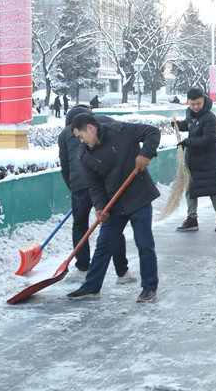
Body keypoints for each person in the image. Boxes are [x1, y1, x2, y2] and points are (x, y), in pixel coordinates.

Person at [67, 112, 161, 302]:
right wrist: (100, 207)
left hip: (138, 197)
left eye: (81, 135)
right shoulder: (85, 156)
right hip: (114, 204)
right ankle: (92, 286)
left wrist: (146, 153)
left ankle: (149, 287)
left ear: (91, 128)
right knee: (103, 246)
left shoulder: (120, 131)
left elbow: (152, 132)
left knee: (144, 244)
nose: (80, 140)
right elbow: (94, 185)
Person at [58, 105, 131, 283]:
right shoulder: (103, 123)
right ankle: (123, 272)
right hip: (103, 182)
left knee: (80, 225)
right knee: (111, 224)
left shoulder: (64, 134)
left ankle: (83, 268)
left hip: (79, 185)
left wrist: (74, 188)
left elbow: (65, 166)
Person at [175, 87, 216, 232]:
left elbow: (209, 138)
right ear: (188, 103)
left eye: (198, 103)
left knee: (213, 190)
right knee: (190, 189)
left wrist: (188, 142)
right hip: (192, 160)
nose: (195, 107)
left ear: (203, 99)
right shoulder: (190, 113)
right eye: (192, 104)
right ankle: (192, 219)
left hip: (208, 160)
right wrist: (179, 125)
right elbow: (190, 125)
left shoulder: (209, 117)